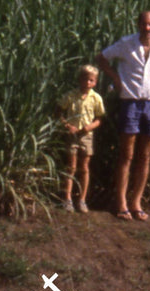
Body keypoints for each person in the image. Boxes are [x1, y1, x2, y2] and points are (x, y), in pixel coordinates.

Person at [97, 10, 150, 221]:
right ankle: (121, 203)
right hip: (130, 103)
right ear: (138, 24)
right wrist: (116, 78)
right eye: (144, 24)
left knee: (145, 155)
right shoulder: (126, 43)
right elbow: (101, 58)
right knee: (127, 154)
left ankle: (136, 203)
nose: (147, 28)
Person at [56, 65, 106, 213]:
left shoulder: (96, 98)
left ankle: (82, 200)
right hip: (72, 135)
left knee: (84, 168)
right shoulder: (70, 95)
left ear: (95, 82)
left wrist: (88, 127)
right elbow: (58, 112)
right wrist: (67, 126)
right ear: (79, 79)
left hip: (86, 136)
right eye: (85, 79)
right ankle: (67, 199)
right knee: (71, 167)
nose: (87, 83)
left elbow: (99, 119)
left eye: (91, 80)